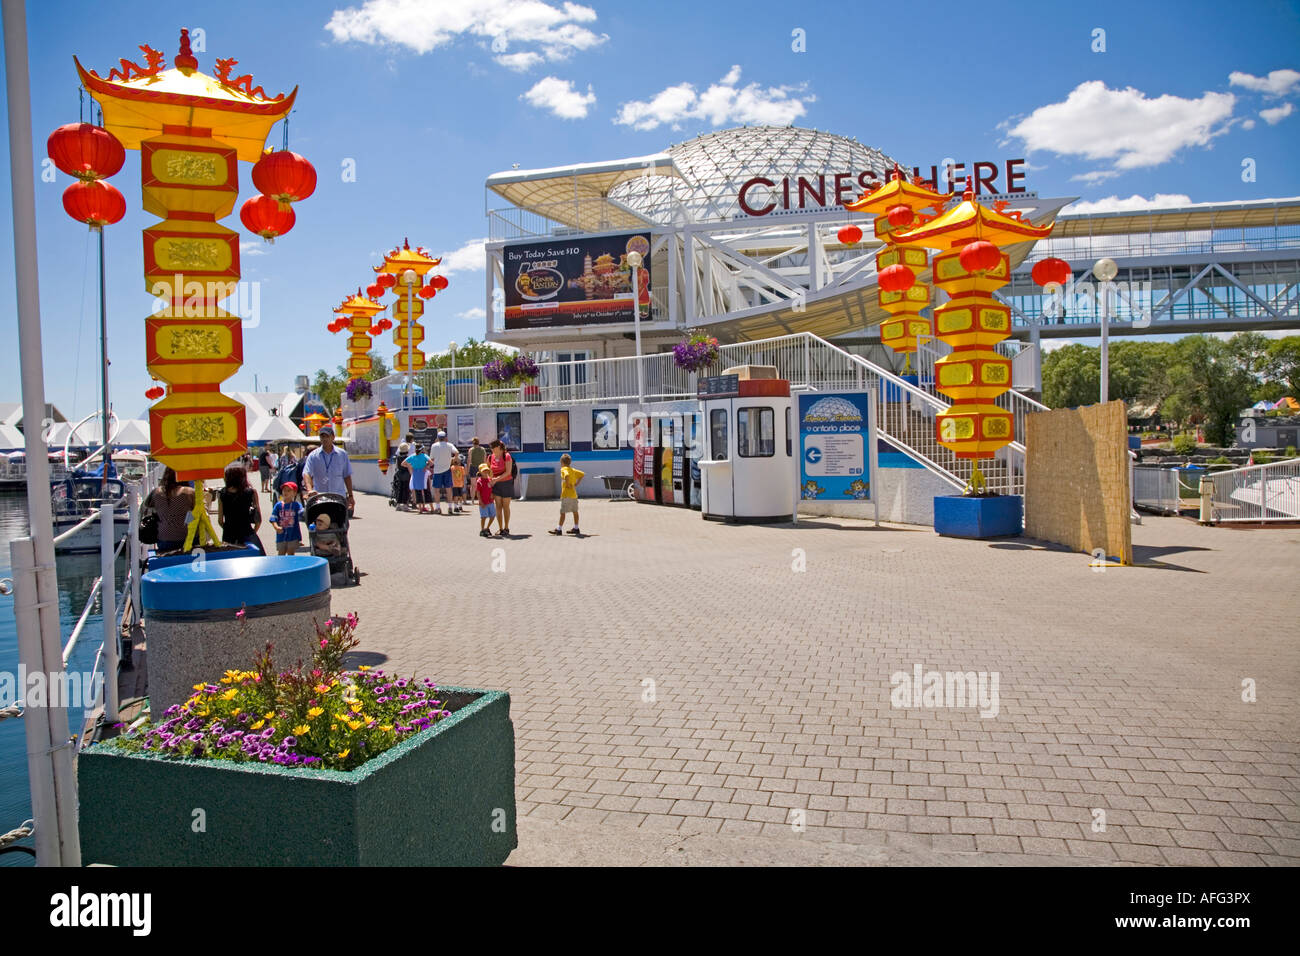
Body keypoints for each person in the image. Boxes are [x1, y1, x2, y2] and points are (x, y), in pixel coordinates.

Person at [302, 425, 355, 513]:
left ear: (333, 437)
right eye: (322, 436)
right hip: (320, 497)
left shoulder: (342, 454)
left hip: (338, 497)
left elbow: (347, 475)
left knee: (338, 523)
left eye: (327, 436)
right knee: (321, 523)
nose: (325, 439)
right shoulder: (313, 455)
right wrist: (309, 490)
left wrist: (350, 495)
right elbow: (307, 473)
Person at [145, 466, 196, 553]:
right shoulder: (190, 492)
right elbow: (198, 511)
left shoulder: (156, 493)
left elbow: (147, 505)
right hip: (187, 537)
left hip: (164, 538)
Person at [217, 463, 264, 554]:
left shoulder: (222, 493)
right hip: (247, 532)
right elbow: (258, 519)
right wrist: (253, 532)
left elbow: (220, 520)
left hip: (228, 535)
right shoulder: (251, 492)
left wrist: (228, 529)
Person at [549, 453, 585, 536]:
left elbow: (567, 475)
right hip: (573, 495)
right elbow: (582, 474)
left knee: (563, 512)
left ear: (562, 462)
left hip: (566, 495)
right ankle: (576, 528)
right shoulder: (572, 469)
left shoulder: (563, 469)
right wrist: (576, 483)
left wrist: (568, 484)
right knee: (575, 511)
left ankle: (559, 529)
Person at [487, 439, 516, 536]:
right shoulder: (490, 457)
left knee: (506, 506)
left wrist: (496, 479)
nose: (491, 450)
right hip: (496, 485)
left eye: (493, 448)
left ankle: (506, 527)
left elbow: (508, 472)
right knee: (498, 507)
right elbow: (488, 471)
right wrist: (490, 480)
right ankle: (500, 528)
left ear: (498, 447)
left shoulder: (506, 456)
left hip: (506, 483)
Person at [428, 430, 458, 516]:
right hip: (447, 470)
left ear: (438, 438)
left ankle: (438, 508)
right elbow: (456, 452)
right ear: (445, 438)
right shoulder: (449, 445)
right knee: (449, 489)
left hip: (437, 471)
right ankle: (450, 507)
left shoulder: (434, 446)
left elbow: (432, 459)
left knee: (436, 490)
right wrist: (453, 460)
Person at [270, 481, 305, 555]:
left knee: (291, 553)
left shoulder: (296, 505)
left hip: (293, 535)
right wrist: (276, 527)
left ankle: (291, 566)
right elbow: (273, 518)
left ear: (294, 493)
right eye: (284, 490)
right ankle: (281, 566)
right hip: (281, 535)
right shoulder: (278, 505)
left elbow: (303, 513)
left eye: (289, 490)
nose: (286, 492)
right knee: (281, 553)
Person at [405, 443, 431, 514]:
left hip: (415, 474)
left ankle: (420, 509)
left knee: (418, 492)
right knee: (424, 491)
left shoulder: (412, 456)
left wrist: (410, 466)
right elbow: (431, 462)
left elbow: (403, 463)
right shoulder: (424, 456)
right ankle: (425, 506)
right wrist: (426, 466)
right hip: (423, 474)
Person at [474, 464, 496, 538]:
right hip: (483, 502)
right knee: (484, 517)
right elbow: (478, 493)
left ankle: (487, 528)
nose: (486, 472)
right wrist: (480, 501)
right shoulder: (479, 481)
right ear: (480, 471)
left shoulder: (490, 479)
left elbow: (492, 489)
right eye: (484, 471)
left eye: (487, 470)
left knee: (493, 516)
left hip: (490, 502)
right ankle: (482, 530)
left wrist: (492, 494)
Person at [394, 441, 412, 511]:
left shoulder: (398, 457)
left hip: (400, 474)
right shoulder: (407, 457)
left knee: (400, 489)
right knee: (406, 489)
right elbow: (409, 466)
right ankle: (405, 504)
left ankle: (398, 504)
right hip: (406, 474)